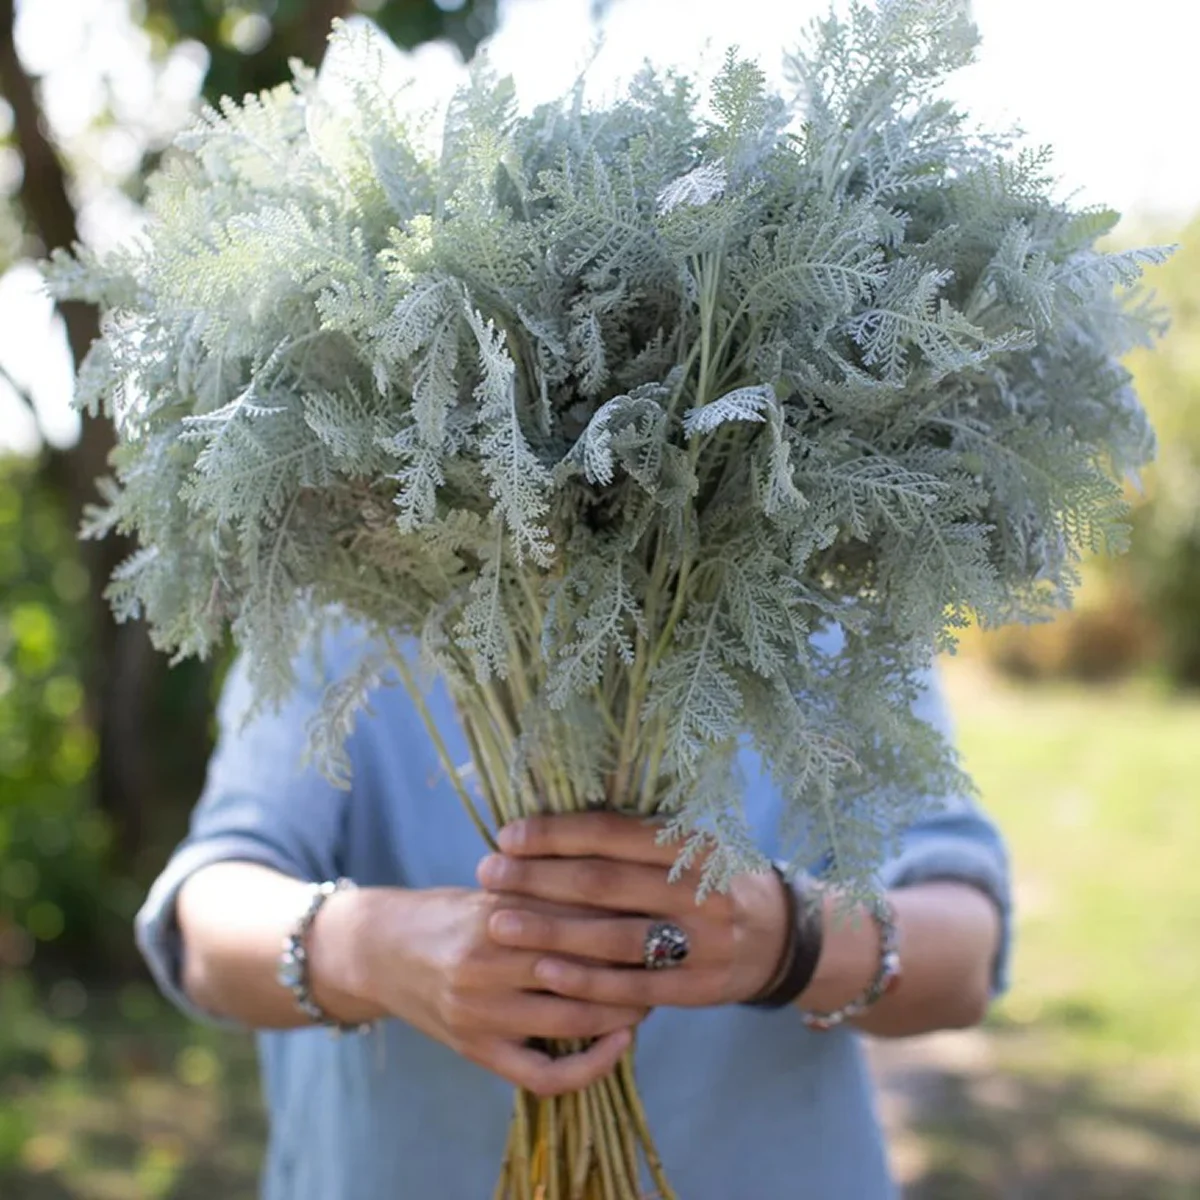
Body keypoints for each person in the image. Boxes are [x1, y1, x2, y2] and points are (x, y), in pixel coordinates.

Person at [137, 626, 1011, 1199]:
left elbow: (963, 949)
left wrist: (789, 938)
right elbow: (208, 912)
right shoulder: (346, 587)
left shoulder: (817, 581)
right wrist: (377, 949)